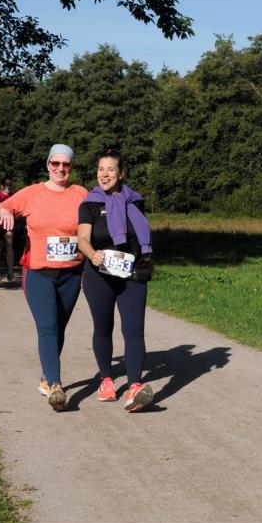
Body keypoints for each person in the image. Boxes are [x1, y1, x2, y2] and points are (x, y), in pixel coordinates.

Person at [0, 144, 87, 411]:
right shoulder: (33, 193)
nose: (60, 169)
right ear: (48, 166)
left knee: (60, 327)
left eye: (65, 164)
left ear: (71, 167)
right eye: (55, 164)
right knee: (48, 327)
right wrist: (6, 212)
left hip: (72, 272)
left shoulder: (81, 194)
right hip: (38, 272)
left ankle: (46, 378)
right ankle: (56, 385)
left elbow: (96, 220)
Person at [78, 148, 154, 412]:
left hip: (131, 273)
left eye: (110, 169)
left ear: (121, 173)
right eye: (101, 169)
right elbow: (83, 239)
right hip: (99, 274)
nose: (104, 174)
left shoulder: (135, 201)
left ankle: (134, 387)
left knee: (134, 330)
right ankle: (106, 380)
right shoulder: (90, 203)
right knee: (103, 327)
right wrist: (93, 255)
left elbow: (141, 236)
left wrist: (145, 260)